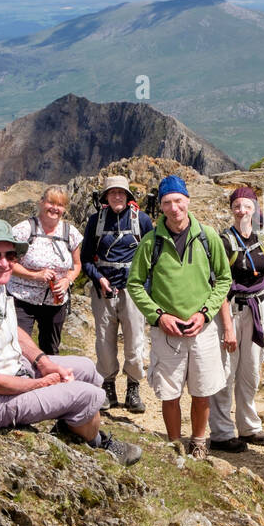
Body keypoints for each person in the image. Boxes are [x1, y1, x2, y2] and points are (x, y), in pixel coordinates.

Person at [0, 217, 141, 465]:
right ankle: (99, 445)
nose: (4, 263)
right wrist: (42, 385)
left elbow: (13, 331)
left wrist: (43, 362)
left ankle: (73, 427)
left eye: (10, 256)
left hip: (9, 375)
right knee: (87, 394)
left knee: (86, 368)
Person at [127, 175, 231, 460]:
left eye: (178, 201)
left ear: (187, 201)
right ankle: (175, 444)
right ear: (160, 207)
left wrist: (205, 313)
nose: (174, 208)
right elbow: (134, 284)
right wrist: (159, 317)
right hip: (166, 331)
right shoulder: (151, 242)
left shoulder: (208, 237)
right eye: (167, 202)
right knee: (169, 392)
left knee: (202, 390)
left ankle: (198, 442)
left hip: (203, 329)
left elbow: (223, 279)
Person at [209, 186, 264, 452]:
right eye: (237, 206)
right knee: (226, 370)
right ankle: (222, 432)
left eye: (247, 205)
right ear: (232, 210)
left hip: (257, 310)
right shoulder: (223, 241)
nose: (242, 210)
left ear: (254, 208)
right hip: (230, 309)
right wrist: (227, 327)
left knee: (251, 370)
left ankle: (249, 426)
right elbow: (218, 285)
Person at [81, 175, 155, 413]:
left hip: (133, 289)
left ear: (128, 196)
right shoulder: (95, 222)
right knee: (104, 341)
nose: (117, 197)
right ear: (106, 197)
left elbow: (152, 258)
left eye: (121, 193)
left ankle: (133, 388)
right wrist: (98, 278)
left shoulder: (141, 221)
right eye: (112, 193)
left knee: (135, 341)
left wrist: (146, 290)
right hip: (104, 290)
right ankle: (108, 386)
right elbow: (85, 259)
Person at [7, 186, 82, 356]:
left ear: (65, 208)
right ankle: (22, 381)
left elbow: (77, 265)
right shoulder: (23, 230)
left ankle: (51, 381)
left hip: (55, 301)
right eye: (51, 202)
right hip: (22, 299)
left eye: (60, 204)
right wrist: (35, 275)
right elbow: (8, 262)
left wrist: (67, 281)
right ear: (41, 203)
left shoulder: (71, 233)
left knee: (51, 349)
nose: (55, 208)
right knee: (19, 348)